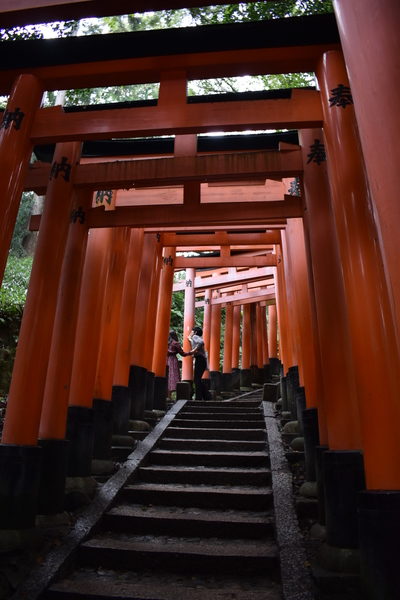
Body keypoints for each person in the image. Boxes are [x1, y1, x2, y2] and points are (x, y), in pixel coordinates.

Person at [188, 326, 211, 401]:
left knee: (197, 379)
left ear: (195, 332)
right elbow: (195, 343)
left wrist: (194, 350)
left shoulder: (195, 336)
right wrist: (189, 339)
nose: (191, 332)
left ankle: (200, 397)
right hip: (201, 360)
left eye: (192, 331)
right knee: (197, 379)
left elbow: (201, 342)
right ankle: (206, 396)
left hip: (200, 360)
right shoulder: (194, 338)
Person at [167, 330, 189, 400]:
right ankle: (175, 396)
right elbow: (182, 354)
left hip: (166, 360)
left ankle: (168, 396)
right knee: (174, 376)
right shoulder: (175, 343)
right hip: (173, 360)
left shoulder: (166, 343)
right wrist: (191, 352)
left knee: (168, 376)